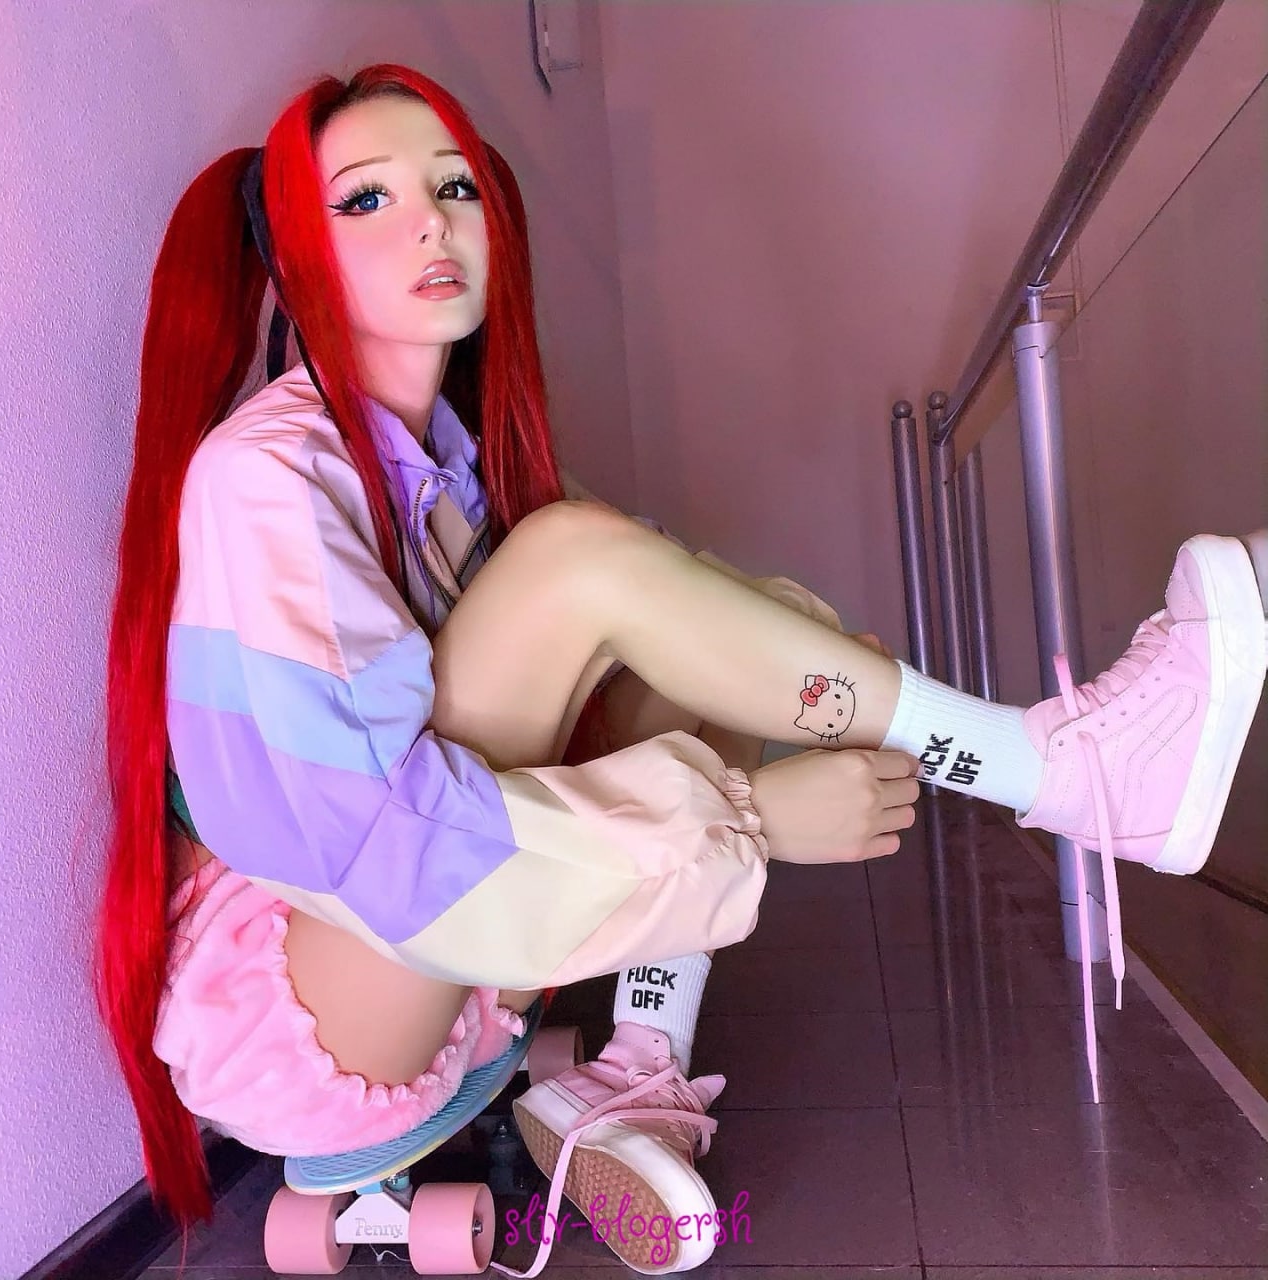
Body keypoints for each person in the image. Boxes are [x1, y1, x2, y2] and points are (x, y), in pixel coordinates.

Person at [96, 63, 1268, 1276]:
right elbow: (364, 838)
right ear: (294, 262)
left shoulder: (454, 464)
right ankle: (1060, 769)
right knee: (576, 563)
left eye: (454, 187)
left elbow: (678, 608)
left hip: (445, 956)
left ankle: (635, 1071)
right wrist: (752, 819)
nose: (431, 224)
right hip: (324, 997)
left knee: (721, 621)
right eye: (364, 200)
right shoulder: (265, 475)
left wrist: (809, 668)